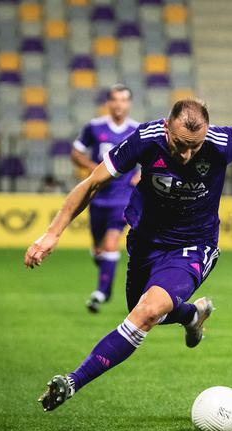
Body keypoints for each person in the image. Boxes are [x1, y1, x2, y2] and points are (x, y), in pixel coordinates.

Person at [25, 99, 232, 412]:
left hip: (193, 246)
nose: (187, 155)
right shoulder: (145, 139)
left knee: (145, 313)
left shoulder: (223, 143)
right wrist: (52, 233)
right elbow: (92, 184)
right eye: (181, 145)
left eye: (194, 148)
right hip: (145, 243)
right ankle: (191, 315)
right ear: (167, 127)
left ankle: (72, 381)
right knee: (141, 310)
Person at [70, 84, 140, 313]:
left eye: (123, 100)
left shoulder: (137, 130)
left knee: (111, 243)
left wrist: (142, 173)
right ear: (108, 103)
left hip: (123, 199)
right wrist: (94, 168)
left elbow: (154, 157)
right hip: (97, 198)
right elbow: (76, 152)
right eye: (115, 100)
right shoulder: (94, 127)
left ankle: (100, 293)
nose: (119, 104)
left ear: (129, 104)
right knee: (99, 250)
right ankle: (105, 279)